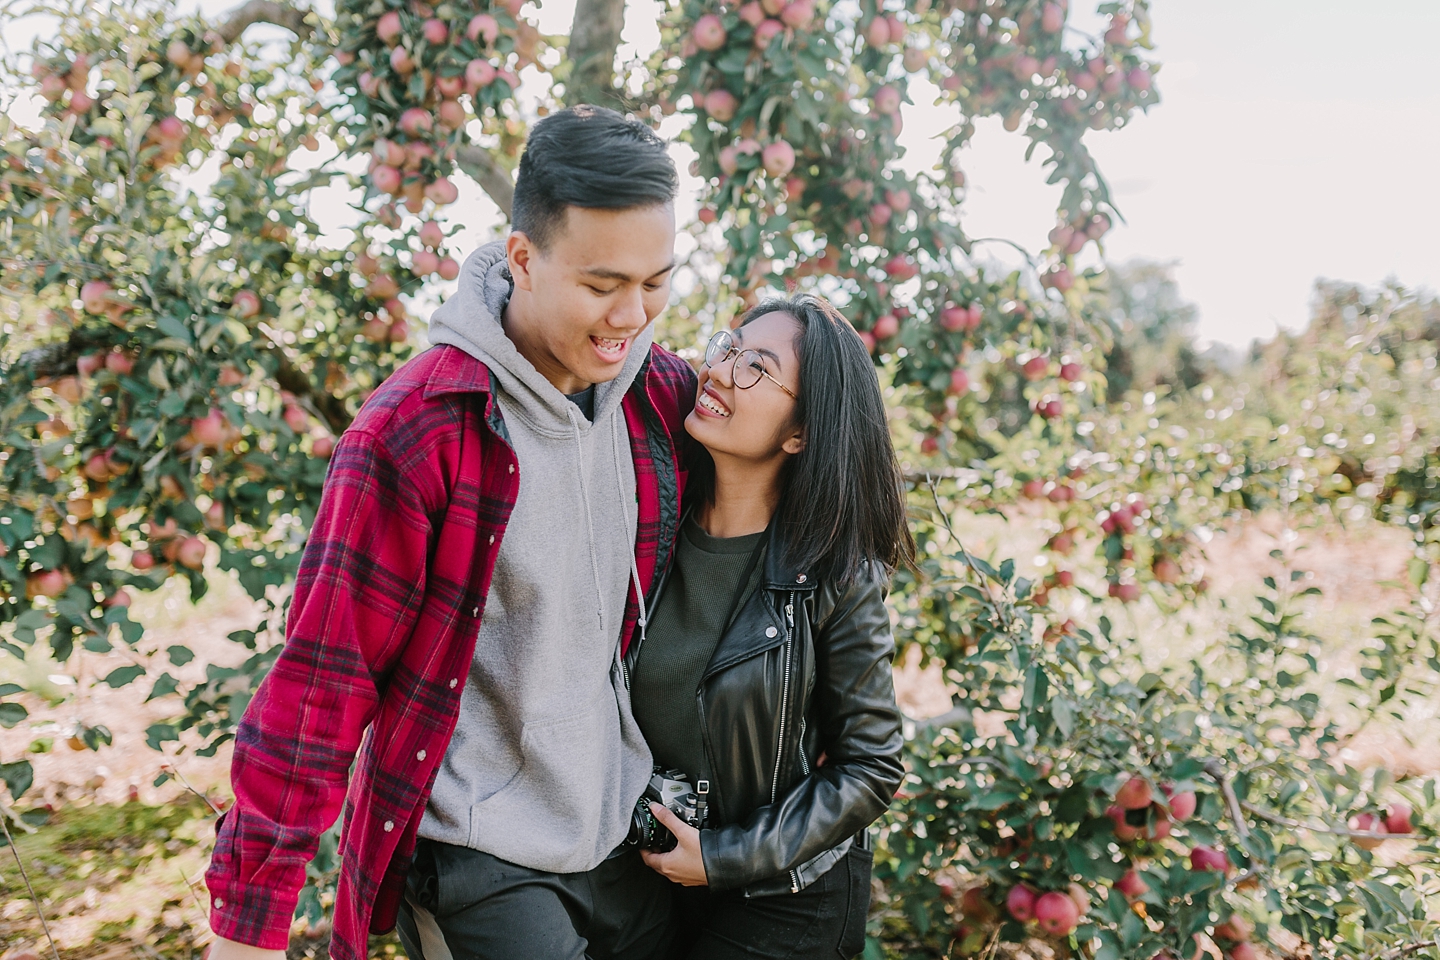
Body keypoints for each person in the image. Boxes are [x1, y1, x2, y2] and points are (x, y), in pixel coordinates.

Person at [204, 106, 696, 960]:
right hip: (483, 849)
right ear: (522, 260)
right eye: (602, 284)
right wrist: (249, 925)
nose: (632, 315)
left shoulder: (659, 399)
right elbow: (325, 679)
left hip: (625, 838)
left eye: (656, 282)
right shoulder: (421, 430)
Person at [626, 294, 912, 959]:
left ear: (800, 433)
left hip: (788, 896)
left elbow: (871, 765)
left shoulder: (835, 573)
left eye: (757, 366)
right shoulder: (650, 529)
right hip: (653, 879)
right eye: (728, 347)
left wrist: (724, 856)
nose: (721, 370)